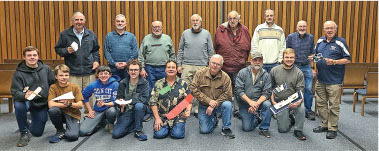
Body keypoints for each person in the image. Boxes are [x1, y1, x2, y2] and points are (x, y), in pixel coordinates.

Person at [311, 21, 350, 139]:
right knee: (320, 103)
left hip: (334, 80)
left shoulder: (340, 42)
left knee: (333, 105)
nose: (329, 30)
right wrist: (313, 63)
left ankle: (332, 128)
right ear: (324, 29)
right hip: (321, 78)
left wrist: (334, 62)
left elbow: (348, 59)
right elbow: (315, 55)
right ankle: (324, 124)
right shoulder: (320, 41)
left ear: (335, 29)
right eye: (327, 28)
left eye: (331, 28)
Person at [55, 11, 100, 113]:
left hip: (89, 72)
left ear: (84, 21)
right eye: (76, 19)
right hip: (73, 72)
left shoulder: (91, 34)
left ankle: (90, 119)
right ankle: (74, 120)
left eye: (81, 19)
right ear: (72, 21)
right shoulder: (65, 34)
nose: (79, 22)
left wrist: (96, 61)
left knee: (90, 98)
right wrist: (66, 51)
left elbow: (96, 50)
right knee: (73, 98)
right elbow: (58, 49)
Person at [10, 46, 55, 147]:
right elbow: (14, 91)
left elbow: (53, 84)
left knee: (37, 133)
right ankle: (24, 132)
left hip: (41, 103)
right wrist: (24, 95)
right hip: (26, 101)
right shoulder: (19, 73)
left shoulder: (46, 69)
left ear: (38, 57)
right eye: (29, 55)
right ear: (24, 57)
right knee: (18, 105)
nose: (32, 57)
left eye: (34, 55)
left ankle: (28, 122)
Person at [214, 10, 251, 119]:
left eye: (234, 18)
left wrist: (243, 59)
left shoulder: (244, 30)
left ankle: (237, 110)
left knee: (238, 89)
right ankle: (222, 109)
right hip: (224, 65)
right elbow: (216, 46)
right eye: (230, 18)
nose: (232, 20)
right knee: (222, 89)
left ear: (239, 19)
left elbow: (248, 47)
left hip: (239, 66)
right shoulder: (221, 30)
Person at [177, 14, 214, 117]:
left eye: (197, 20)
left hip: (201, 66)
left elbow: (210, 51)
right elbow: (180, 50)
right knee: (185, 88)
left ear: (200, 22)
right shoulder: (185, 33)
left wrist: (211, 66)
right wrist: (179, 64)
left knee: (200, 89)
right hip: (186, 65)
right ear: (191, 22)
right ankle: (186, 108)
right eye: (193, 20)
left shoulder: (206, 34)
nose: (195, 22)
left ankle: (197, 109)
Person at [138, 21, 176, 122]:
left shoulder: (167, 38)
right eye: (154, 27)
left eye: (158, 27)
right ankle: (151, 112)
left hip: (165, 69)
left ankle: (164, 110)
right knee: (151, 90)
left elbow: (172, 54)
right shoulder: (146, 39)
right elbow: (141, 55)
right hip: (150, 69)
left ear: (162, 28)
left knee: (166, 89)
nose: (157, 29)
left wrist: (172, 67)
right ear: (151, 28)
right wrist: (142, 68)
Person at [190, 54, 235, 139]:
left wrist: (214, 104)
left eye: (218, 64)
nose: (215, 65)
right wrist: (208, 101)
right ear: (209, 62)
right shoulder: (200, 74)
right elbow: (193, 89)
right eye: (213, 63)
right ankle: (214, 120)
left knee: (228, 104)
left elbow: (228, 94)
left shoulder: (225, 77)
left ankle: (226, 128)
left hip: (219, 105)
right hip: (204, 105)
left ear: (221, 66)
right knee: (204, 130)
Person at [150, 60, 192, 139]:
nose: (171, 69)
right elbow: (153, 102)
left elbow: (188, 100)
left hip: (178, 116)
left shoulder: (183, 83)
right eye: (169, 67)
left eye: (173, 67)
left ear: (176, 70)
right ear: (165, 70)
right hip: (163, 116)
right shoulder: (158, 84)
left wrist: (188, 111)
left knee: (177, 135)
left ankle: (175, 127)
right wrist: (157, 118)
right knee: (159, 135)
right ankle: (167, 127)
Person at [270, 48, 306, 140]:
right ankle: (290, 118)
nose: (289, 59)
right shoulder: (274, 70)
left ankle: (298, 130)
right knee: (283, 129)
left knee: (302, 108)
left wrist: (298, 102)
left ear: (294, 58)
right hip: (280, 102)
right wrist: (273, 101)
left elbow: (301, 91)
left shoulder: (299, 73)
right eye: (287, 57)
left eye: (291, 57)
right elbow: (270, 88)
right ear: (283, 58)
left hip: (294, 100)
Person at [235, 51, 273, 138]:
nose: (257, 62)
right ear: (251, 61)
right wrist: (250, 103)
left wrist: (256, 104)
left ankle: (264, 129)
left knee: (267, 104)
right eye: (255, 60)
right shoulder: (242, 72)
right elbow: (239, 91)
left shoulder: (266, 75)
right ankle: (257, 117)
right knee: (246, 128)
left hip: (259, 102)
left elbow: (267, 92)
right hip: (245, 103)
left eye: (260, 60)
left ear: (262, 62)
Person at [112, 59, 149, 141]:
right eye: (131, 70)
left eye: (136, 70)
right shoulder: (122, 83)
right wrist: (121, 104)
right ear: (128, 71)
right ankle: (133, 123)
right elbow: (118, 98)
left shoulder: (145, 83)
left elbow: (143, 99)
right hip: (126, 110)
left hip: (139, 109)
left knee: (139, 106)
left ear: (139, 71)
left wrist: (127, 101)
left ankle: (138, 130)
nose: (133, 72)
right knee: (116, 134)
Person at [286, 20, 316, 120]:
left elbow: (311, 54)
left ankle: (308, 110)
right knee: (292, 89)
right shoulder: (290, 37)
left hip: (306, 66)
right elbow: (287, 53)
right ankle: (292, 109)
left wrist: (312, 68)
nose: (302, 28)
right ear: (296, 27)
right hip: (294, 66)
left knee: (308, 89)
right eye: (300, 26)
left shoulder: (310, 37)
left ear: (306, 27)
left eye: (304, 26)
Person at [47, 64, 84, 143]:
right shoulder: (53, 87)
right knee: (53, 110)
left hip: (73, 114)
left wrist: (69, 104)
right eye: (61, 75)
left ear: (69, 76)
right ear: (56, 77)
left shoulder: (75, 87)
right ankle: (60, 130)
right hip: (60, 113)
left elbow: (80, 105)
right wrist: (65, 105)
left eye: (66, 75)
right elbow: (50, 104)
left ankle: (71, 128)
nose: (64, 77)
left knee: (72, 136)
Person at [79, 66, 119, 136]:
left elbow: (115, 101)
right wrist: (90, 110)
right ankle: (102, 122)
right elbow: (84, 97)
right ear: (98, 75)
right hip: (98, 110)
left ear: (110, 75)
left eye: (106, 73)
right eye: (101, 73)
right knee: (83, 132)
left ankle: (111, 124)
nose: (103, 76)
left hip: (110, 108)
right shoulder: (93, 84)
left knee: (112, 111)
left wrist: (105, 104)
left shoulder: (115, 84)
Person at [104, 14, 138, 80]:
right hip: (113, 69)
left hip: (127, 69)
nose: (120, 23)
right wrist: (114, 63)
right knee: (114, 88)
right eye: (118, 21)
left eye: (122, 21)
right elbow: (106, 52)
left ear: (125, 23)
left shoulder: (131, 36)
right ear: (114, 23)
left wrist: (127, 63)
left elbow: (135, 52)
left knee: (127, 88)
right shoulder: (109, 36)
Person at [251, 9, 286, 73]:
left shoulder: (279, 30)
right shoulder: (259, 28)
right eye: (267, 16)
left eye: (271, 15)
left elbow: (283, 47)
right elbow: (254, 45)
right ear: (264, 17)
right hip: (261, 63)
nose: (269, 17)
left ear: (274, 16)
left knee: (274, 83)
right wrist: (257, 60)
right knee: (260, 82)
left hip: (275, 64)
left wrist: (280, 60)